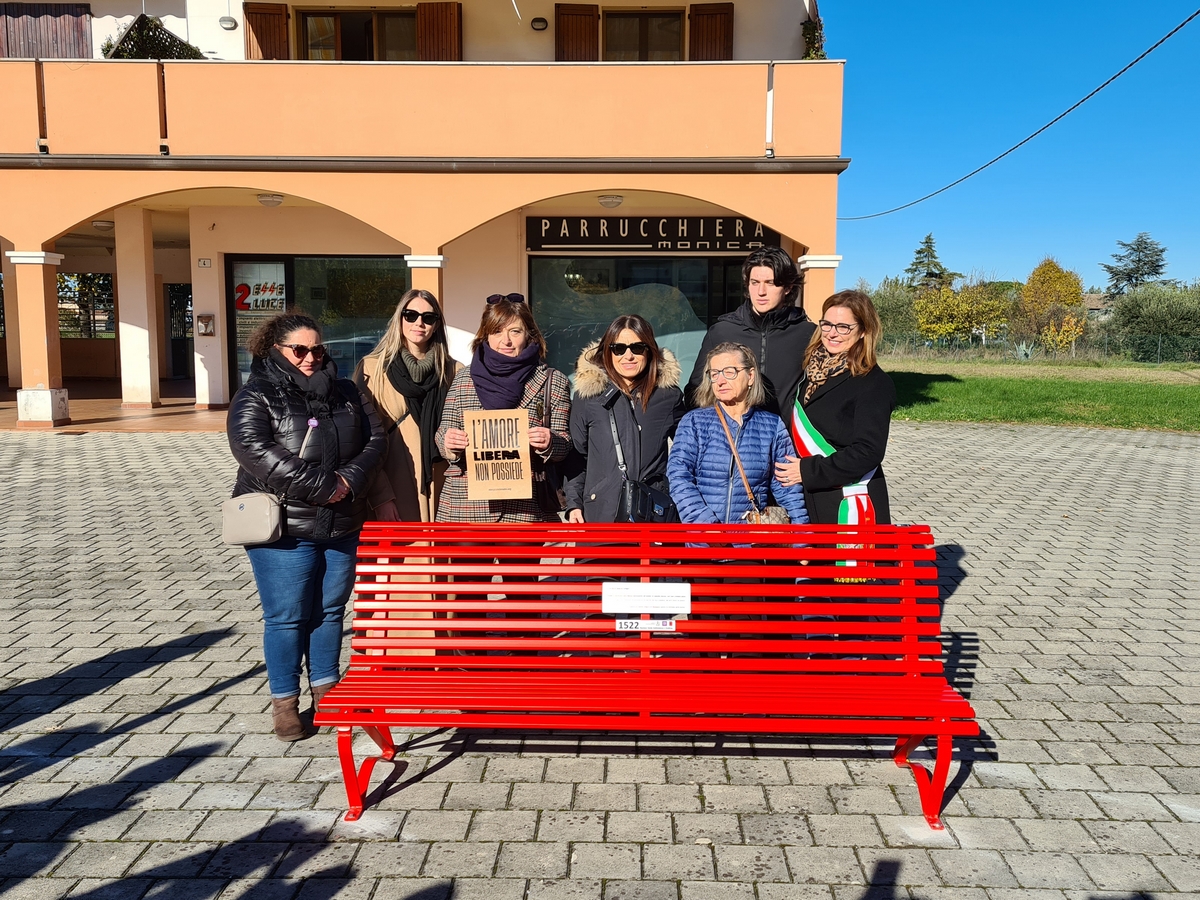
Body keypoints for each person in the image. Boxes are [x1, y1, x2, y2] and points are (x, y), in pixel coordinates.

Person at [227, 313, 386, 741]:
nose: (312, 357)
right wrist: (324, 487)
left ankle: (327, 690)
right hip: (285, 528)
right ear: (275, 351)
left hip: (342, 522)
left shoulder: (348, 391)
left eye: (318, 349)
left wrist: (348, 482)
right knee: (286, 617)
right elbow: (255, 450)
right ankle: (285, 702)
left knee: (330, 611)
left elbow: (375, 440)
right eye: (300, 350)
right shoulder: (255, 395)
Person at [436, 294, 571, 523]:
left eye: (515, 331)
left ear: (529, 334)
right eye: (497, 331)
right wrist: (449, 442)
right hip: (466, 505)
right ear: (486, 336)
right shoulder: (463, 380)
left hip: (526, 506)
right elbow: (442, 435)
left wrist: (550, 441)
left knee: (519, 561)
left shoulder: (553, 381)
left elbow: (565, 444)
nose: (505, 341)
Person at [775, 290, 896, 525]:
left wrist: (808, 471)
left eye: (843, 327)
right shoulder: (810, 373)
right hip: (809, 500)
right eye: (827, 324)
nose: (832, 333)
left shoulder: (873, 383)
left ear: (863, 331)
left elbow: (868, 451)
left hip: (849, 502)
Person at [668, 342, 808, 525]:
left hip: (751, 545)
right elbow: (679, 475)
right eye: (714, 374)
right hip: (705, 546)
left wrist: (801, 543)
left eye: (729, 372)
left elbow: (788, 490)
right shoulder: (694, 422)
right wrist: (705, 524)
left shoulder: (772, 426)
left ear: (750, 376)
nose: (720, 381)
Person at [565, 315, 685, 523]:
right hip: (601, 514)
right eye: (618, 348)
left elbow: (687, 454)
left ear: (649, 350)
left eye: (637, 348)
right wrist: (574, 504)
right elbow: (576, 456)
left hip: (652, 513)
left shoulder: (668, 396)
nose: (628, 356)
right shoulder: (588, 396)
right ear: (608, 352)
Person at [355, 289, 460, 522]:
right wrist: (380, 497)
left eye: (428, 317)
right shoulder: (372, 369)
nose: (419, 323)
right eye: (410, 315)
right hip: (393, 484)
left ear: (436, 324)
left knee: (441, 555)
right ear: (399, 319)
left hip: (444, 488)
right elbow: (359, 439)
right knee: (403, 555)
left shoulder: (455, 371)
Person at [685, 246, 815, 417]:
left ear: (788, 287)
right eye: (755, 283)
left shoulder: (808, 334)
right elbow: (696, 391)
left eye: (770, 283)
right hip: (730, 440)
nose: (761, 292)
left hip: (787, 440)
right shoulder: (721, 331)